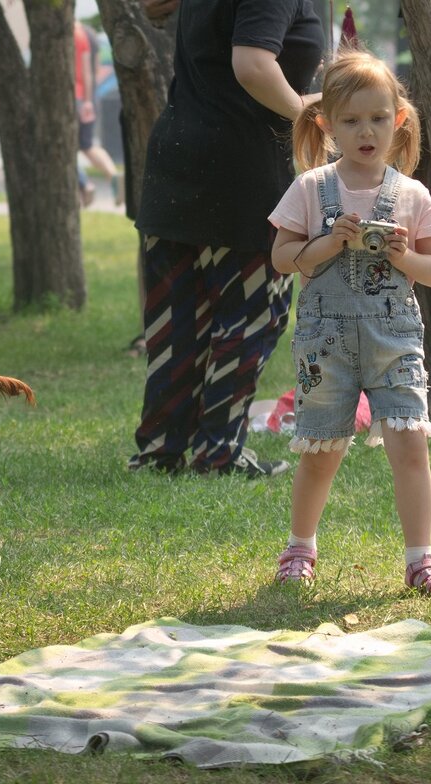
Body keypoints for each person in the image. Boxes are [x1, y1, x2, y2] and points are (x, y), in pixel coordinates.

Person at [268, 49, 431, 595]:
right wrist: (329, 241)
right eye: (350, 121)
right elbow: (282, 257)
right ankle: (300, 547)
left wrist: (402, 257)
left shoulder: (412, 195)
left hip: (393, 341)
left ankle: (420, 559)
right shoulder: (311, 189)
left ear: (398, 119)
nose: (366, 131)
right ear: (327, 125)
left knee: (410, 447)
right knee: (321, 450)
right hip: (324, 344)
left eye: (378, 118)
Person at [129, 0, 324, 478]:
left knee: (177, 324)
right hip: (240, 170)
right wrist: (308, 116)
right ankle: (218, 453)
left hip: (176, 163)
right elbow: (252, 64)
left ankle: (161, 452)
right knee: (249, 320)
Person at [74, 20, 122, 206]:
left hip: (76, 97)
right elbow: (93, 70)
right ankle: (114, 176)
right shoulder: (90, 33)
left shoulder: (71, 33)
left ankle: (84, 184)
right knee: (87, 145)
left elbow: (85, 70)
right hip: (89, 96)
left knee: (65, 145)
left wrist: (84, 100)